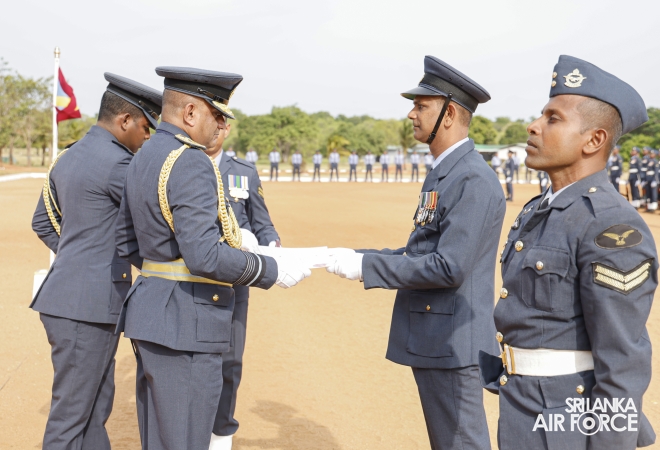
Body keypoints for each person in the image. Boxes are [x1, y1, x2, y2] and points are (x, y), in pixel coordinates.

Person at [114, 67, 310, 450]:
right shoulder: (191, 160)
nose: (222, 125)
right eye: (217, 114)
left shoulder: (144, 153)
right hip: (188, 323)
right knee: (186, 440)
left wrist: (165, 269)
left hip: (152, 315)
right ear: (190, 112)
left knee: (159, 439)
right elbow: (205, 256)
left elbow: (126, 241)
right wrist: (268, 268)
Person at [326, 55, 503, 450]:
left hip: (454, 342)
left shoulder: (472, 178)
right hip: (438, 337)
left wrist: (365, 266)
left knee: (460, 443)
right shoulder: (446, 172)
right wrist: (351, 255)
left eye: (422, 106)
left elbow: (448, 266)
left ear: (450, 114)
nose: (411, 114)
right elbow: (418, 251)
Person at [480, 55, 657, 450]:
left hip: (568, 421)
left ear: (593, 140)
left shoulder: (611, 226)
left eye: (553, 119)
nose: (533, 125)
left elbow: (622, 362)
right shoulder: (540, 209)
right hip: (524, 405)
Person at [31, 73, 162, 450]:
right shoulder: (120, 164)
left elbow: (42, 221)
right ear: (124, 120)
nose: (147, 137)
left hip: (73, 299)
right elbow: (149, 229)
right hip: (86, 306)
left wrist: (79, 255)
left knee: (93, 409)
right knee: (72, 417)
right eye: (145, 127)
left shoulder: (69, 155)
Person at [209, 122, 281, 450]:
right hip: (191, 281)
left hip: (234, 284)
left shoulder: (244, 172)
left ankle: (220, 436)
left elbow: (262, 223)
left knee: (230, 362)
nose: (215, 128)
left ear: (227, 129)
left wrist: (272, 245)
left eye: (221, 123)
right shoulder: (182, 165)